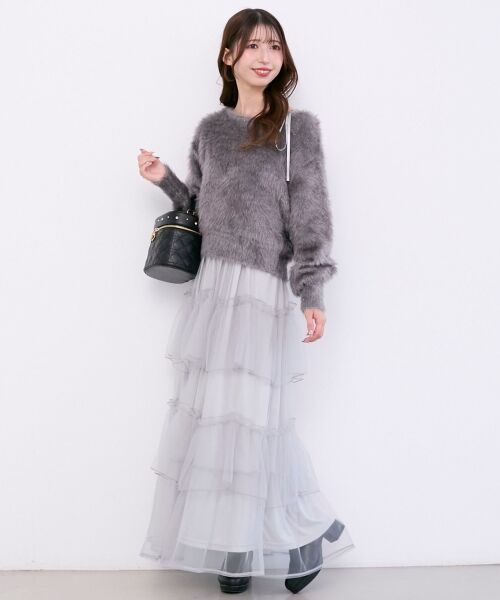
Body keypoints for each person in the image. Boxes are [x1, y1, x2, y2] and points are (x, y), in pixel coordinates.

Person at [136, 8, 355, 595]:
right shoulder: (210, 131)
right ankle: (237, 550)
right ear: (228, 56)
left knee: (257, 422)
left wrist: (312, 289)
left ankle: (306, 533)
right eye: (252, 45)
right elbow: (199, 206)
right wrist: (164, 180)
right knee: (218, 422)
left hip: (260, 290)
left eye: (274, 46)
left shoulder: (297, 130)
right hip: (213, 290)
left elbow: (311, 215)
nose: (264, 56)